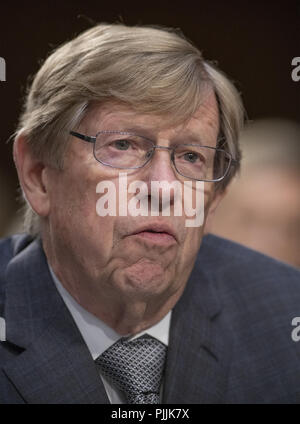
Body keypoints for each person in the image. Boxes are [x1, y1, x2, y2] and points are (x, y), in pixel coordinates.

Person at [0, 23, 300, 405]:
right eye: (123, 145)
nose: (163, 188)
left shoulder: (287, 315)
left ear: (214, 199)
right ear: (39, 175)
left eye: (191, 157)